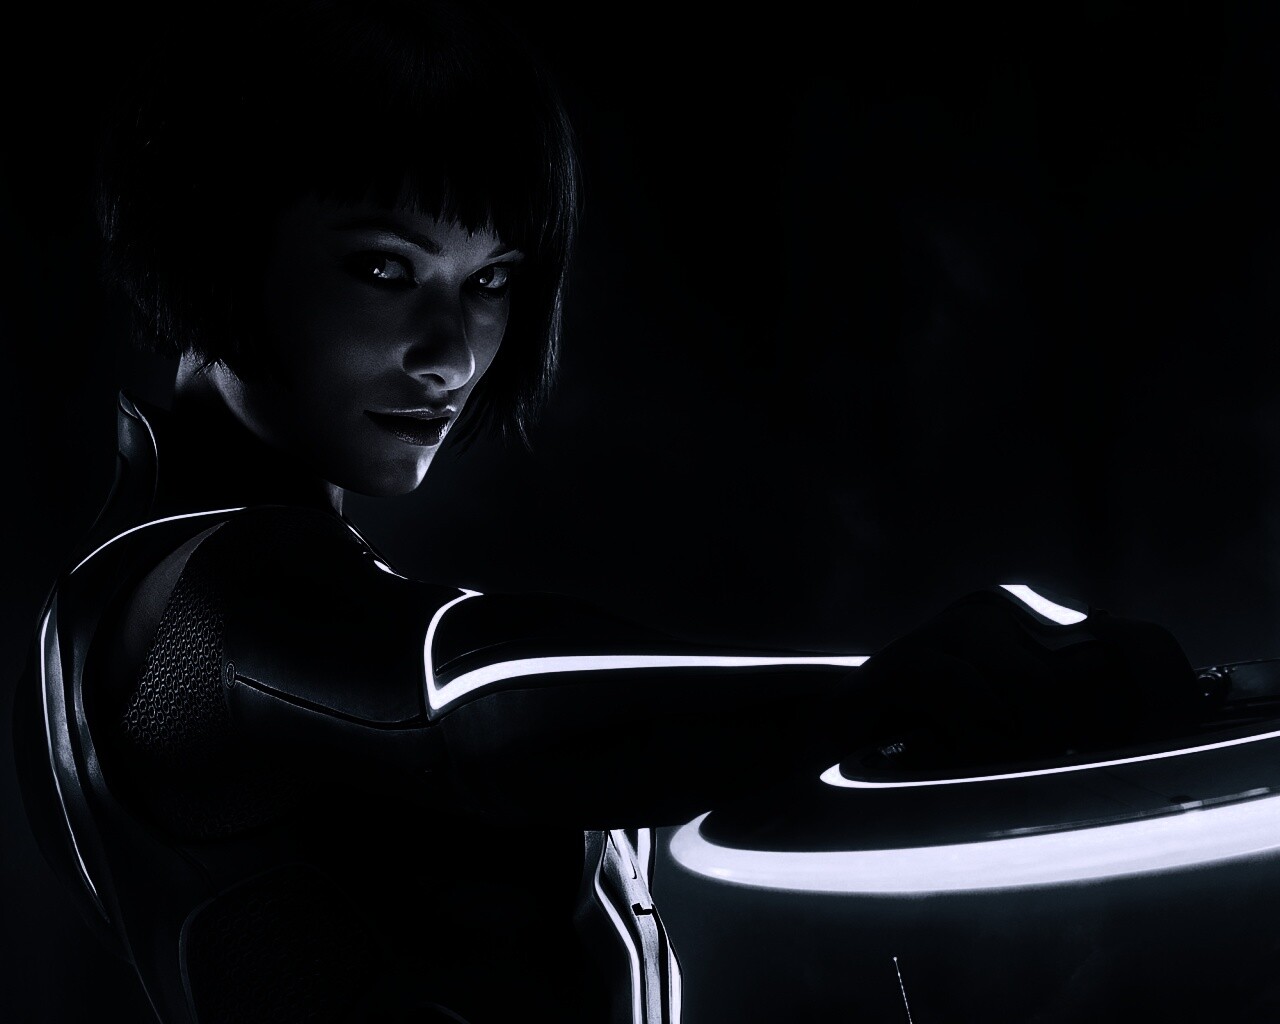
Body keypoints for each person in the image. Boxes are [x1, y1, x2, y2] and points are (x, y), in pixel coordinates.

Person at [11, 2, 1205, 1022]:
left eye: (491, 281)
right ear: (216, 240)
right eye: (383, 267)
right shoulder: (196, 598)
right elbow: (485, 708)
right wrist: (903, 682)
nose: (449, 352)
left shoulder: (155, 593)